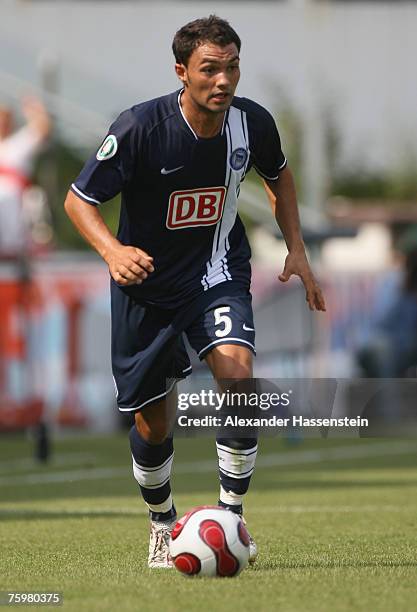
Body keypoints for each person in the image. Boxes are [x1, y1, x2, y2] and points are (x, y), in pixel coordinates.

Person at [64, 15, 326, 569]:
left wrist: (296, 247)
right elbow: (78, 201)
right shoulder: (139, 127)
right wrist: (113, 252)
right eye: (210, 69)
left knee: (238, 376)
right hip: (146, 285)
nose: (224, 80)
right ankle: (163, 524)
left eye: (232, 67)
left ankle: (231, 517)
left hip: (216, 273)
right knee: (152, 423)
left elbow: (278, 175)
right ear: (182, 71)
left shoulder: (251, 123)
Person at [0, 97, 51, 256]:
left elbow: (43, 129)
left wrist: (34, 110)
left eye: (5, 119)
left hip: (16, 203)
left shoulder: (18, 143)